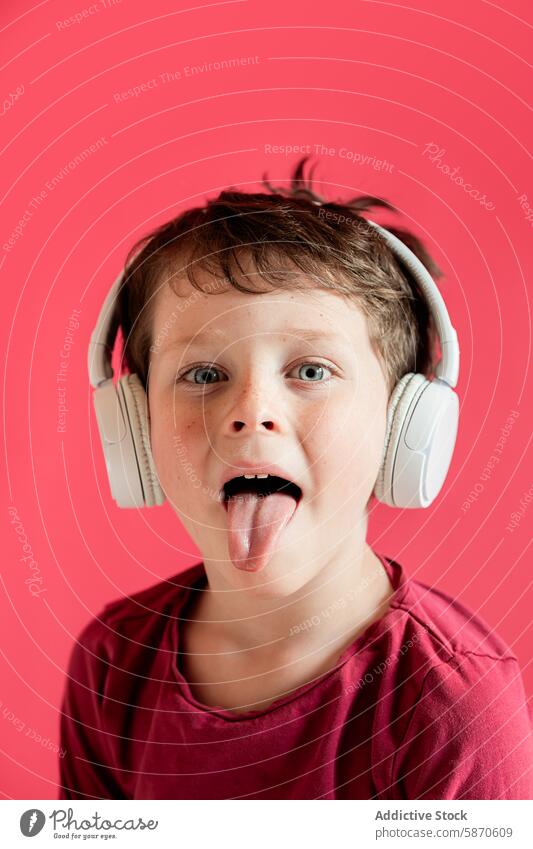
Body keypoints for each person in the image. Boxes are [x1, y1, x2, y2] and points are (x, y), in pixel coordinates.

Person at [58, 158, 533, 799]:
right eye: (202, 374)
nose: (252, 410)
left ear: (403, 423)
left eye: (310, 371)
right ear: (135, 427)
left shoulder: (452, 707)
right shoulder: (113, 662)